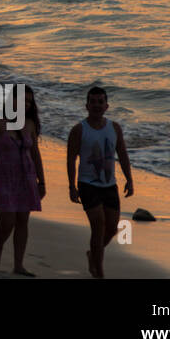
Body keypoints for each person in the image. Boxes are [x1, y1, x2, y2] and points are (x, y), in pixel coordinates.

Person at [67, 85, 134, 278]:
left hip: (109, 185)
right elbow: (71, 159)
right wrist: (72, 186)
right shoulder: (79, 129)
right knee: (98, 225)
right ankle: (100, 272)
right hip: (87, 184)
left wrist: (129, 179)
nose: (96, 105)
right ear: (86, 105)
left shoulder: (114, 128)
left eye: (100, 102)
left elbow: (122, 154)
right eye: (93, 102)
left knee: (111, 228)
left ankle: (92, 255)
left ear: (107, 106)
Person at [0, 86, 44, 275]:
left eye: (29, 101)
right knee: (8, 221)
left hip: (26, 178)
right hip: (3, 177)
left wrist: (42, 181)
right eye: (21, 100)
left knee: (23, 221)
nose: (25, 104)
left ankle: (18, 265)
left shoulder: (30, 124)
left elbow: (35, 154)